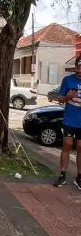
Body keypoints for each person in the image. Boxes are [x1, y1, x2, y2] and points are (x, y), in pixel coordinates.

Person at [53, 55, 81, 188]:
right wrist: (67, 97)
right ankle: (62, 175)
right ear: (75, 67)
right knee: (67, 145)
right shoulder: (68, 80)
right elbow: (59, 98)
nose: (80, 71)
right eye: (78, 67)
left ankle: (79, 177)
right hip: (70, 119)